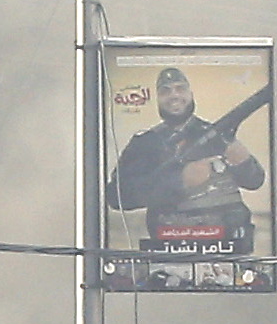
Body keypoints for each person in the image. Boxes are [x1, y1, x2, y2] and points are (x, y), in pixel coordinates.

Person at [107, 66, 265, 244]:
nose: (174, 95)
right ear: (158, 99)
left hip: (229, 244)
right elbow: (116, 195)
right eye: (165, 91)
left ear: (190, 93)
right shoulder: (144, 144)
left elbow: (255, 181)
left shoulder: (216, 134)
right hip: (174, 244)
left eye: (180, 88)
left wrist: (243, 162)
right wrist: (180, 181)